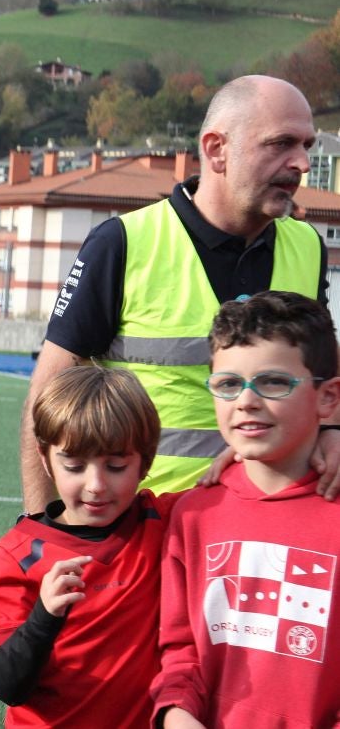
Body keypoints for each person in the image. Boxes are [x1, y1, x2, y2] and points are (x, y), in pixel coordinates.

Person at [19, 75, 340, 511]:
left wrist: (333, 432)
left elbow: (324, 370)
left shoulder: (307, 246)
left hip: (268, 528)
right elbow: (47, 396)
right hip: (145, 535)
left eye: (307, 145)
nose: (302, 163)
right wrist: (42, 529)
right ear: (216, 149)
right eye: (281, 144)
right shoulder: (124, 242)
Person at [152, 291, 340, 727]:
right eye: (228, 384)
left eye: (273, 382)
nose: (247, 401)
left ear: (328, 398)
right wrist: (178, 716)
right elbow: (180, 652)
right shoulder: (193, 515)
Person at [0, 366, 178, 728]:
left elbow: (234, 490)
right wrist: (44, 615)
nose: (96, 485)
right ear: (46, 460)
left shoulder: (159, 520)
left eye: (116, 466)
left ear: (145, 462)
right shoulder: (20, 554)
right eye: (74, 465)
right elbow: (7, 684)